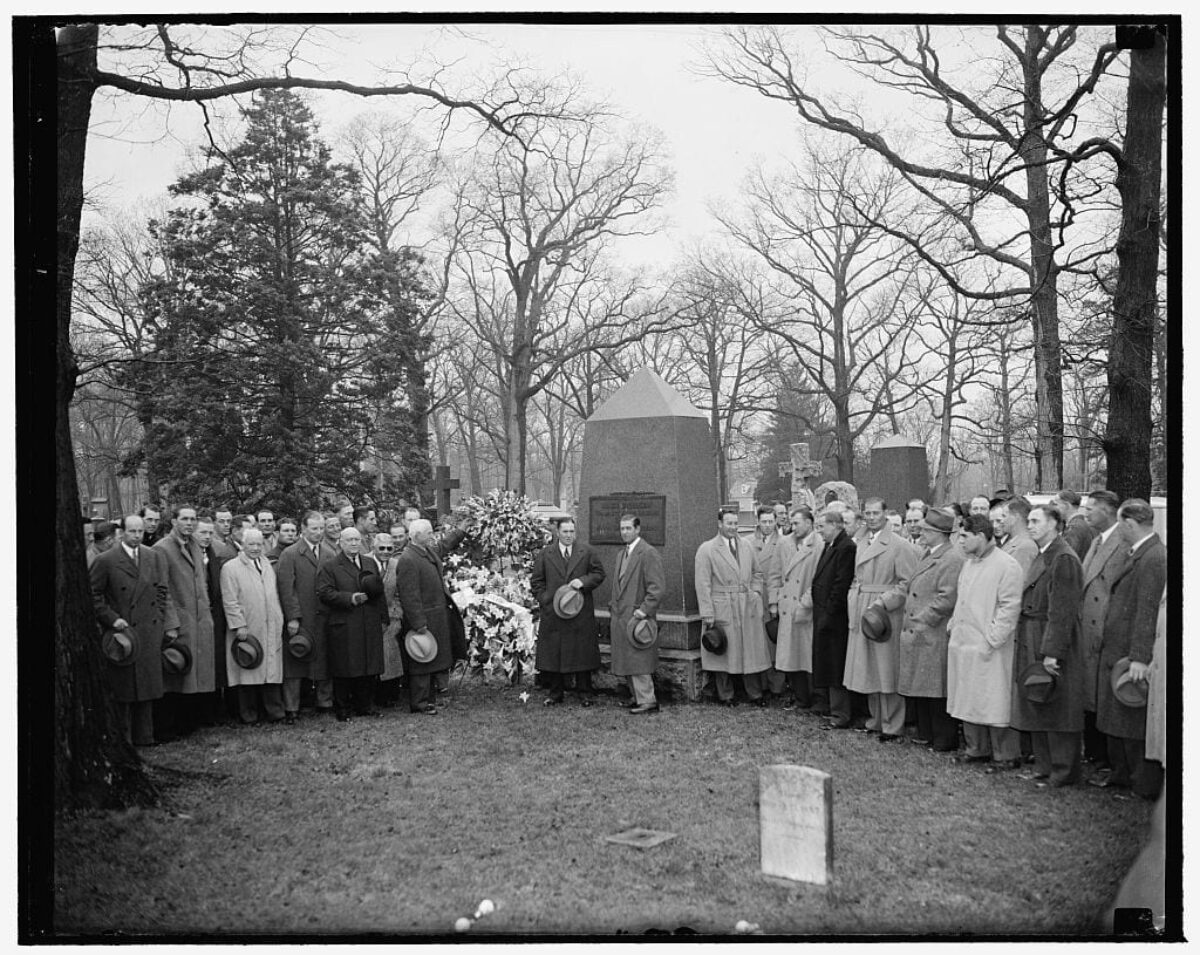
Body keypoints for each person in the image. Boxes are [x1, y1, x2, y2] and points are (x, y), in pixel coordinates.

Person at [1093, 499, 1166, 799]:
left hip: (1129, 655)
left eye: (1121, 523)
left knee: (1131, 719)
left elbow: (1147, 611)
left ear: (1130, 524)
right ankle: (1122, 774)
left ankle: (1140, 783)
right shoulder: (1139, 553)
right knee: (1117, 717)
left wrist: (1139, 657)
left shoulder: (1154, 558)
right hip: (1117, 649)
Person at [1011, 504, 1085, 788]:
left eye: (1036, 521)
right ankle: (1044, 766)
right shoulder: (1044, 554)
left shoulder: (1063, 557)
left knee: (1059, 704)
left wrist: (1053, 652)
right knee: (1038, 698)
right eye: (1028, 520)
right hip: (1035, 633)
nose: (1030, 525)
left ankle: (1063, 771)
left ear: (1056, 524)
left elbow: (1062, 611)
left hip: (1052, 638)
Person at [89, 515, 179, 746]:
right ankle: (124, 739)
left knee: (147, 687)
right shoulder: (106, 560)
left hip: (149, 630)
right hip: (123, 632)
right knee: (125, 689)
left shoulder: (152, 557)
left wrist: (158, 618)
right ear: (122, 533)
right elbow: (93, 595)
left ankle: (146, 737)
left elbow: (161, 590)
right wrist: (112, 619)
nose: (137, 536)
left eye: (140, 531)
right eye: (132, 531)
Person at [945, 515, 1024, 771]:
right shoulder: (969, 564)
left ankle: (1005, 755)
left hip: (990, 646)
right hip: (964, 641)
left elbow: (1009, 607)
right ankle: (975, 748)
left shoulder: (1007, 565)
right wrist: (954, 623)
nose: (960, 541)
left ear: (981, 534)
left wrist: (992, 639)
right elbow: (963, 597)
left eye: (965, 536)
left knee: (994, 700)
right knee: (968, 696)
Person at [843, 497, 918, 743]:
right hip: (862, 606)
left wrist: (883, 602)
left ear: (885, 514)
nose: (872, 517)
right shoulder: (861, 541)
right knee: (868, 668)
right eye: (868, 513)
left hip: (884, 613)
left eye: (876, 513)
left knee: (887, 669)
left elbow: (906, 583)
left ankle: (893, 724)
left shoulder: (899, 545)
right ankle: (875, 719)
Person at [896, 507, 964, 751]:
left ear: (939, 533)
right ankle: (927, 733)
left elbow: (948, 597)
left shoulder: (952, 558)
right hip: (921, 630)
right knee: (922, 686)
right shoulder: (929, 554)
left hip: (932, 631)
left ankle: (944, 738)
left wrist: (925, 618)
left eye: (926, 529)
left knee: (936, 689)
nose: (921, 532)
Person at [153, 504, 217, 740]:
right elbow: (162, 589)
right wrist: (170, 622)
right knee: (176, 672)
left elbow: (202, 585)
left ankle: (189, 724)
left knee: (194, 674)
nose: (189, 523)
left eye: (192, 519)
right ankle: (168, 727)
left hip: (199, 619)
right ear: (174, 522)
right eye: (185, 519)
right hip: (179, 621)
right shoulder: (162, 549)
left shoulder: (195, 545)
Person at [695, 509, 771, 706]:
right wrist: (708, 613)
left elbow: (757, 573)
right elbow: (702, 584)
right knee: (724, 650)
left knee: (750, 650)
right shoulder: (707, 549)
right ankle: (725, 695)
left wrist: (755, 593)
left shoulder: (746, 546)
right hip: (723, 604)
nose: (733, 527)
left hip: (746, 604)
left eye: (735, 523)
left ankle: (754, 694)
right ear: (720, 524)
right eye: (729, 523)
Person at [1077, 490, 1129, 770]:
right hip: (1089, 630)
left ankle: (1106, 758)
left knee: (1102, 696)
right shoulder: (1097, 541)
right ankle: (1096, 754)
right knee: (1091, 693)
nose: (1086, 514)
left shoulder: (1121, 542)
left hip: (1103, 633)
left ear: (1108, 511)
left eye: (1091, 509)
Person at [393, 518, 467, 715]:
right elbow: (409, 595)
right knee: (421, 660)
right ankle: (419, 702)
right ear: (417, 536)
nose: (432, 536)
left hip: (436, 616)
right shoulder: (408, 559)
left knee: (432, 659)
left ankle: (428, 700)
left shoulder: (425, 551)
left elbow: (443, 547)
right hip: (423, 619)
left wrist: (460, 532)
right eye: (428, 533)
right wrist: (418, 623)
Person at [531, 518, 606, 707]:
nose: (569, 535)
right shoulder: (545, 554)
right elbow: (536, 582)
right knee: (554, 652)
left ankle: (585, 692)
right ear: (557, 532)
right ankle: (556, 693)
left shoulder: (587, 552)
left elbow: (599, 574)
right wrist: (546, 600)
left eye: (572, 531)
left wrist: (584, 582)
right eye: (565, 531)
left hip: (579, 611)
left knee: (582, 653)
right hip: (554, 613)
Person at [317, 527, 389, 721]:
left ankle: (365, 706)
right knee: (345, 668)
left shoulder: (369, 562)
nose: (354, 543)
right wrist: (350, 598)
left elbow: (378, 591)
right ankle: (342, 708)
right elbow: (324, 593)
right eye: (349, 540)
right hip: (346, 623)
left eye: (357, 540)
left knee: (368, 666)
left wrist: (383, 618)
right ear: (341, 542)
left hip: (369, 621)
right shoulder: (331, 566)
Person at [276, 510, 337, 722]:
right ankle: (292, 708)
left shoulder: (329, 553)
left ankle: (324, 702)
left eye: (321, 528)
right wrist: (293, 617)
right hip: (302, 618)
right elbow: (286, 589)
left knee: (324, 661)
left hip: (324, 617)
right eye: (314, 528)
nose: (319, 533)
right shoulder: (290, 554)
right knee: (296, 661)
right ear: (303, 529)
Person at [220, 528, 286, 724]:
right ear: (243, 544)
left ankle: (274, 712)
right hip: (247, 628)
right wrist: (238, 625)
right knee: (247, 670)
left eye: (259, 544)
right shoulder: (231, 568)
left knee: (271, 671)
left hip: (270, 624)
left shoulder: (267, 564)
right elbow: (229, 600)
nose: (256, 548)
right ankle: (249, 715)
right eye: (251, 544)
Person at [607, 514, 666, 715]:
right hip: (621, 617)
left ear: (638, 529)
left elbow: (656, 588)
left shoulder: (648, 553)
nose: (624, 532)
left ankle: (648, 700)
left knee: (639, 660)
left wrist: (644, 610)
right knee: (627, 659)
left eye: (628, 528)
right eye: (622, 529)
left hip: (638, 618)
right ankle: (637, 697)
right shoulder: (621, 554)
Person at [809, 508, 857, 727]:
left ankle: (841, 713)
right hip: (824, 614)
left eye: (822, 526)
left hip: (835, 618)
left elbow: (840, 583)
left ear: (835, 525)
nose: (820, 531)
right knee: (828, 663)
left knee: (836, 664)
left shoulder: (846, 547)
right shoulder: (831, 546)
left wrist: (828, 613)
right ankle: (831, 707)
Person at [775, 505, 821, 710]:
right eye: (791, 523)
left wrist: (806, 602)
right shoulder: (784, 543)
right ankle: (800, 697)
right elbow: (775, 574)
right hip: (787, 605)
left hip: (806, 607)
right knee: (791, 655)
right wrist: (775, 601)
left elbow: (819, 578)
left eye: (797, 523)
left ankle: (815, 698)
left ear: (810, 523)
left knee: (808, 655)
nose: (793, 527)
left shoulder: (819, 545)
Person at [195, 513, 233, 723]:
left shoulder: (215, 553)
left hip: (215, 616)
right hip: (197, 616)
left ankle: (215, 711)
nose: (207, 536)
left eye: (210, 532)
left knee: (217, 664)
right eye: (203, 532)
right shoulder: (191, 554)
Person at [749, 506, 786, 700]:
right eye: (764, 522)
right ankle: (761, 684)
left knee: (775, 641)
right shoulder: (748, 542)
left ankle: (777, 686)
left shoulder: (784, 543)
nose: (767, 525)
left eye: (771, 521)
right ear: (758, 522)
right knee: (758, 642)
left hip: (775, 597)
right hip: (756, 597)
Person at [374, 532, 406, 708]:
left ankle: (389, 694)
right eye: (382, 548)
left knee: (390, 654)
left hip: (391, 615)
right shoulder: (365, 562)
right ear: (374, 547)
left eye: (389, 548)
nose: (385, 552)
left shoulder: (396, 565)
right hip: (369, 618)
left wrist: (396, 614)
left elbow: (400, 593)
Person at [1053, 489, 1096, 561]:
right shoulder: (1080, 524)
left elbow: (1065, 558)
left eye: (1056, 504)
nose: (1054, 508)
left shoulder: (1073, 528)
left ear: (1066, 505)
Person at [1000, 497, 1039, 574]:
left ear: (1015, 517)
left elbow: (1019, 580)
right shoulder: (1012, 542)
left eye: (1004, 516)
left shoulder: (1026, 547)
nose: (1001, 520)